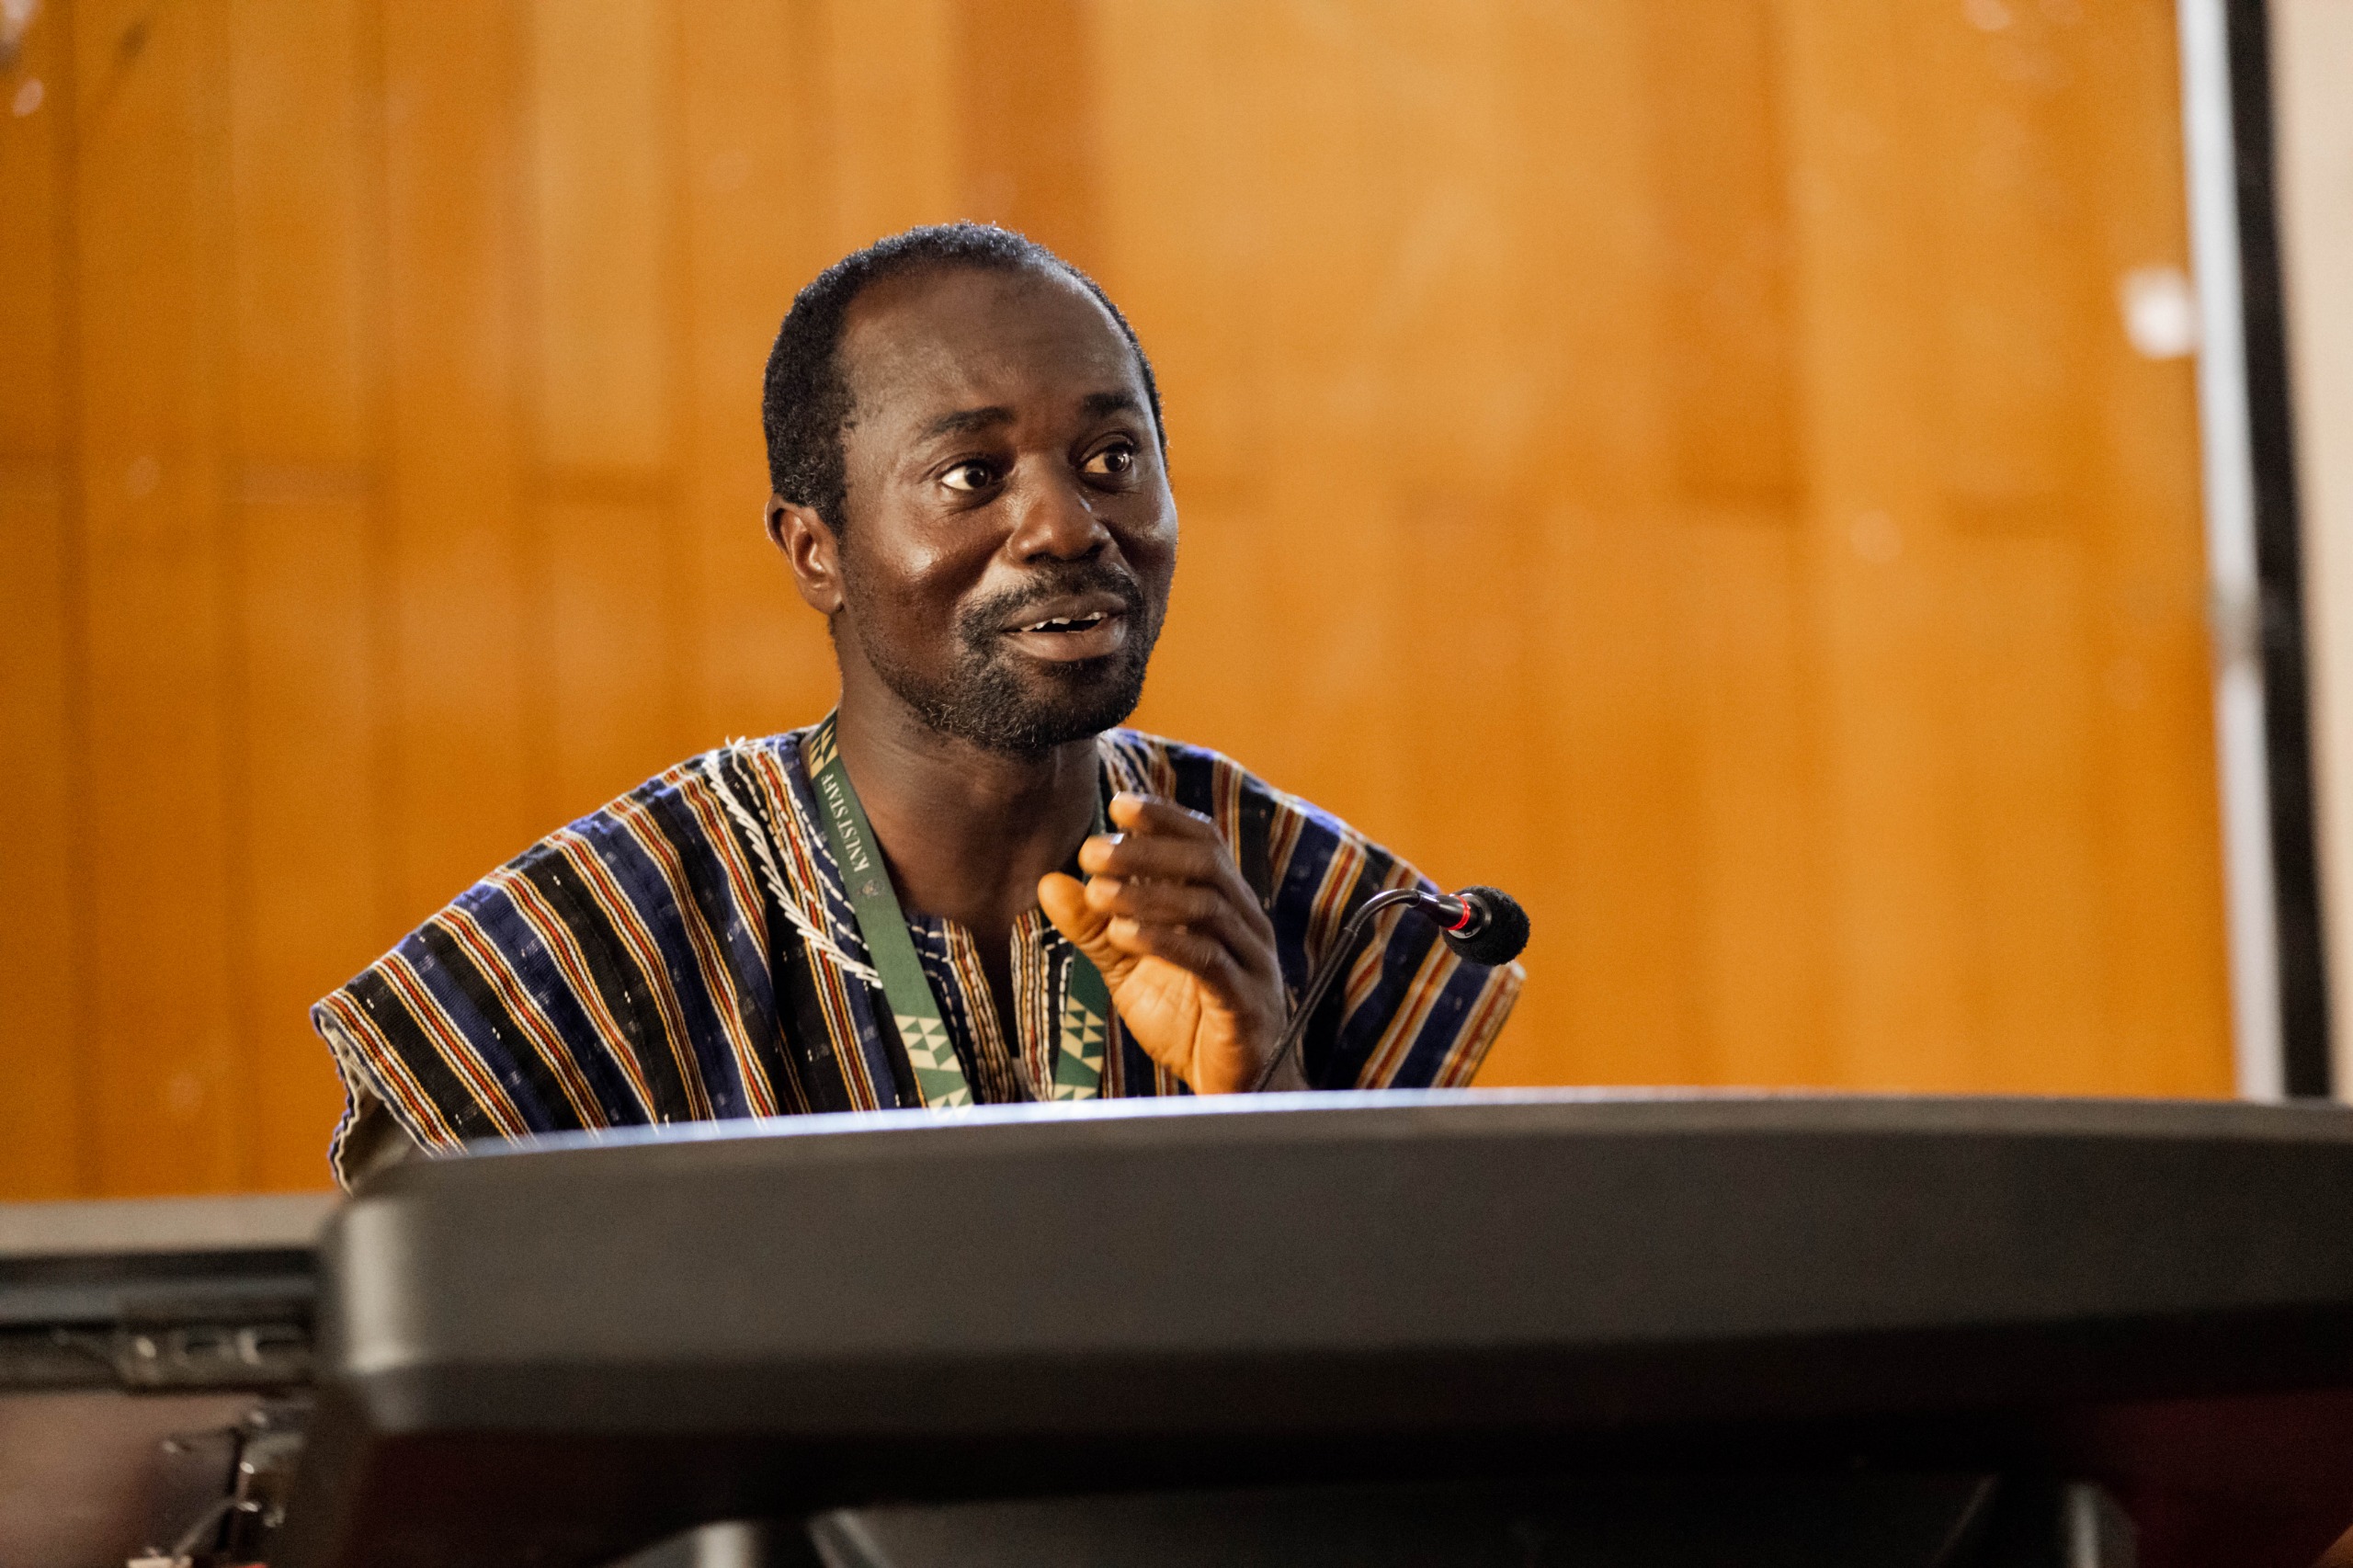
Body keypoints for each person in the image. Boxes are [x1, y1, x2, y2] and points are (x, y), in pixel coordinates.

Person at [313, 223, 1523, 1187]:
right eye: (970, 476)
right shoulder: (614, 931)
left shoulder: (1308, 898)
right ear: (815, 551)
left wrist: (1274, 1098)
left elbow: (1414, 1422)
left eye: (1113, 459)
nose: (1065, 524)